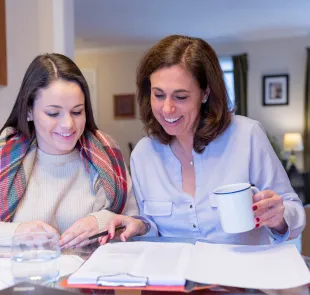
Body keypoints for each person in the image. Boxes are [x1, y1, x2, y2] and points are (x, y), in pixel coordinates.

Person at [100, 35, 305, 245]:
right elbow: (152, 228)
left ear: (205, 93)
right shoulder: (143, 154)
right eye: (159, 95)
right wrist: (139, 226)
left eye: (181, 97)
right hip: (175, 274)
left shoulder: (247, 135)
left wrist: (278, 217)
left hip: (240, 274)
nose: (167, 108)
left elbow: (294, 212)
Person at [0, 53, 148, 247]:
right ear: (28, 111)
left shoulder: (108, 154)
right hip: (25, 275)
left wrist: (103, 220)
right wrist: (16, 232)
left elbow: (137, 224)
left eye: (77, 111)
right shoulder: (4, 156)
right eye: (53, 113)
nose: (68, 125)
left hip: (92, 274)